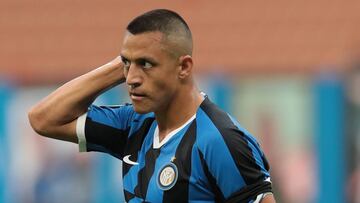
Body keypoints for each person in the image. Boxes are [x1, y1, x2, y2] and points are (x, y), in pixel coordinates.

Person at [28, 9, 275, 203]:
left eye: (146, 64)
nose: (132, 79)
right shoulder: (133, 124)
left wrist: (130, 61)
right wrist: (121, 66)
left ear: (184, 67)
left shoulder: (221, 140)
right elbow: (44, 119)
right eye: (127, 63)